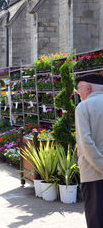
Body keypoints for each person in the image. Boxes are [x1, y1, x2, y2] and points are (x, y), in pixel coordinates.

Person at [75, 73, 103, 228]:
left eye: (79, 88)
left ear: (88, 87)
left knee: (96, 220)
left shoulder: (83, 107)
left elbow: (86, 143)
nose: (78, 92)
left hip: (93, 175)